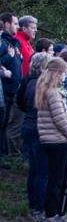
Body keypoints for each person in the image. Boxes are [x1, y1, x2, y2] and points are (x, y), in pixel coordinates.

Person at [35, 57, 67, 222]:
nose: (65, 77)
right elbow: (61, 120)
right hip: (57, 140)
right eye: (64, 73)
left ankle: (55, 214)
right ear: (57, 73)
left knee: (56, 179)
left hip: (50, 140)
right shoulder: (53, 93)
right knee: (57, 181)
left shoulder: (45, 90)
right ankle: (52, 215)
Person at [16, 53, 52, 221]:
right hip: (40, 128)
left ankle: (33, 205)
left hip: (28, 125)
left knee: (34, 169)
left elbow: (20, 102)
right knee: (43, 171)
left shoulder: (27, 80)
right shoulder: (43, 84)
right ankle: (39, 208)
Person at [6, 15, 36, 154]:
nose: (35, 30)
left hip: (24, 86)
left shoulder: (27, 43)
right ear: (23, 28)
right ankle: (11, 154)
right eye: (32, 27)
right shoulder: (18, 41)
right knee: (15, 122)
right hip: (18, 86)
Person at [0, 12, 22, 158]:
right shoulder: (4, 43)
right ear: (7, 24)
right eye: (15, 23)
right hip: (6, 89)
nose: (17, 26)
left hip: (13, 88)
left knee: (7, 121)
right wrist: (10, 56)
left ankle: (4, 153)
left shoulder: (11, 43)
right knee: (4, 122)